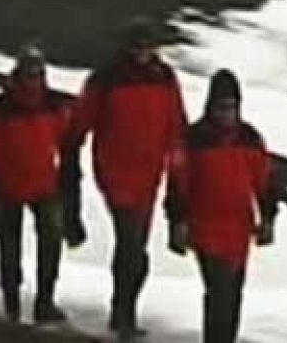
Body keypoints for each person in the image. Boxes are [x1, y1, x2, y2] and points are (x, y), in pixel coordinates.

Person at [67, 18, 187, 338]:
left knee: (136, 248)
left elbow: (176, 127)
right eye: (138, 46)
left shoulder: (165, 78)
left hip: (150, 176)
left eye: (149, 46)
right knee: (132, 245)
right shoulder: (106, 79)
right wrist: (70, 163)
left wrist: (178, 170)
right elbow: (80, 124)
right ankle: (123, 316)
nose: (143, 52)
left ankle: (123, 311)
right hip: (116, 174)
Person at [164, 70, 279, 343]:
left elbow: (266, 181)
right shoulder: (193, 140)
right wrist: (177, 222)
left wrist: (268, 217)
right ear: (210, 105)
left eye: (232, 106)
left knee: (232, 294)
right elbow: (178, 184)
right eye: (221, 106)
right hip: (205, 228)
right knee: (220, 292)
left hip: (239, 230)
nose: (226, 113)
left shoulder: (250, 139)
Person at [0, 46, 80, 325]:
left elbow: (67, 146)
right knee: (10, 249)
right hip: (8, 188)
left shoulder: (52, 107)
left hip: (44, 185)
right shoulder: (0, 108)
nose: (33, 81)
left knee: (50, 245)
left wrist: (68, 186)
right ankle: (12, 305)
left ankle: (44, 301)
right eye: (28, 75)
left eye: (37, 75)